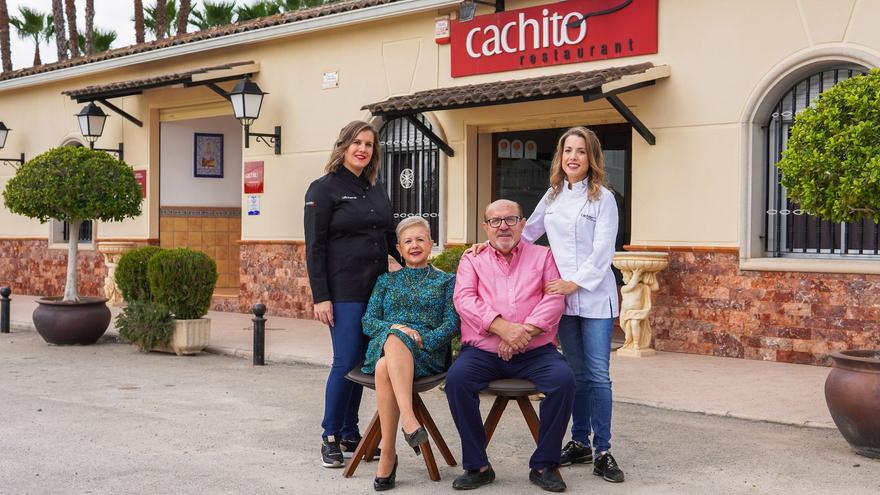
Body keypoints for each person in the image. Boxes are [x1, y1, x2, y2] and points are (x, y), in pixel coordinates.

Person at [446, 199, 574, 493]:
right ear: (485, 227)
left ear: (523, 223)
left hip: (535, 351)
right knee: (457, 381)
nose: (503, 226)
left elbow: (554, 300)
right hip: (484, 351)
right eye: (496, 221)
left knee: (563, 380)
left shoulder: (543, 256)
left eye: (511, 219)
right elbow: (464, 299)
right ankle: (478, 466)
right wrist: (502, 328)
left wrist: (521, 335)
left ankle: (545, 464)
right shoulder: (472, 260)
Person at [522, 127, 624, 483]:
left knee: (598, 375)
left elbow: (602, 252)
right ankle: (578, 442)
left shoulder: (603, 199)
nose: (573, 157)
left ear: (591, 157)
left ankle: (603, 451)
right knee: (575, 374)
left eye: (581, 151)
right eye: (568, 151)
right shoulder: (552, 196)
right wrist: (486, 248)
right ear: (560, 156)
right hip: (562, 301)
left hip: (594, 297)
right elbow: (526, 232)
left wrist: (575, 282)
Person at [304, 120, 402, 468]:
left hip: (376, 291)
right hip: (343, 291)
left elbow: (391, 237)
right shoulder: (323, 189)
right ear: (343, 145)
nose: (363, 149)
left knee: (363, 363)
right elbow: (314, 248)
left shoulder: (376, 189)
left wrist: (414, 265)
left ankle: (349, 432)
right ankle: (329, 435)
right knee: (345, 361)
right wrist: (321, 297)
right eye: (357, 143)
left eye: (369, 144)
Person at [361, 216, 460, 491]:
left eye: (420, 239)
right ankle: (408, 420)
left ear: (431, 244)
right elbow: (368, 322)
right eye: (408, 241)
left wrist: (422, 340)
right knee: (395, 337)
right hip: (386, 345)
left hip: (426, 352)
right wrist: (397, 327)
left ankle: (389, 453)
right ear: (399, 248)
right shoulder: (385, 281)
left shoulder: (447, 281)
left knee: (384, 368)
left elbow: (452, 324)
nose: (414, 245)